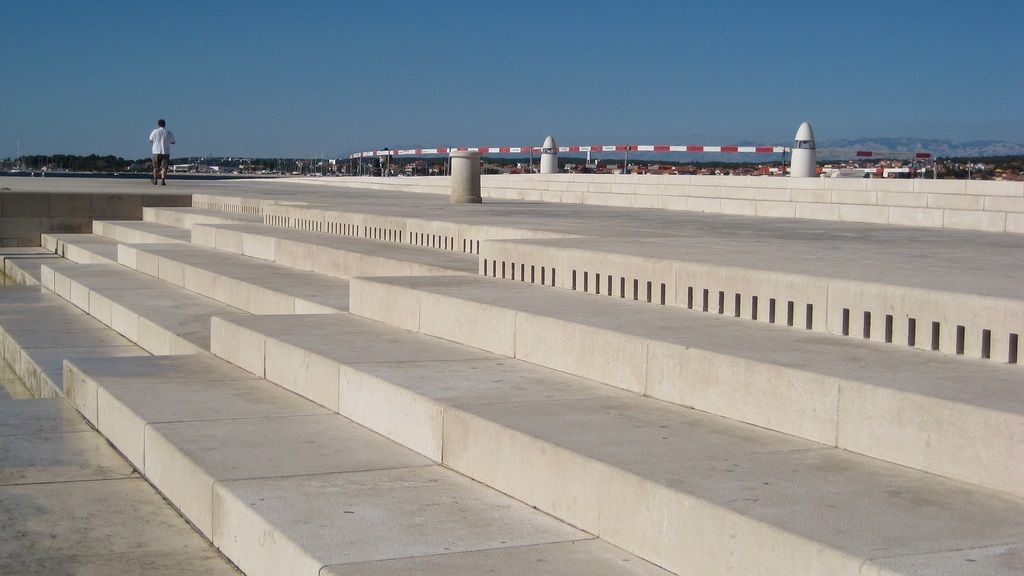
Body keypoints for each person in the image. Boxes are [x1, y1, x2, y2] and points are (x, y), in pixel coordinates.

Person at [149, 119, 175, 185]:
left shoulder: (155, 131)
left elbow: (150, 140)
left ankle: (155, 179)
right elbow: (173, 142)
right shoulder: (168, 132)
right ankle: (163, 180)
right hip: (166, 152)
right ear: (165, 125)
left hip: (156, 151)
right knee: (164, 167)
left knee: (155, 167)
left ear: (158, 124)